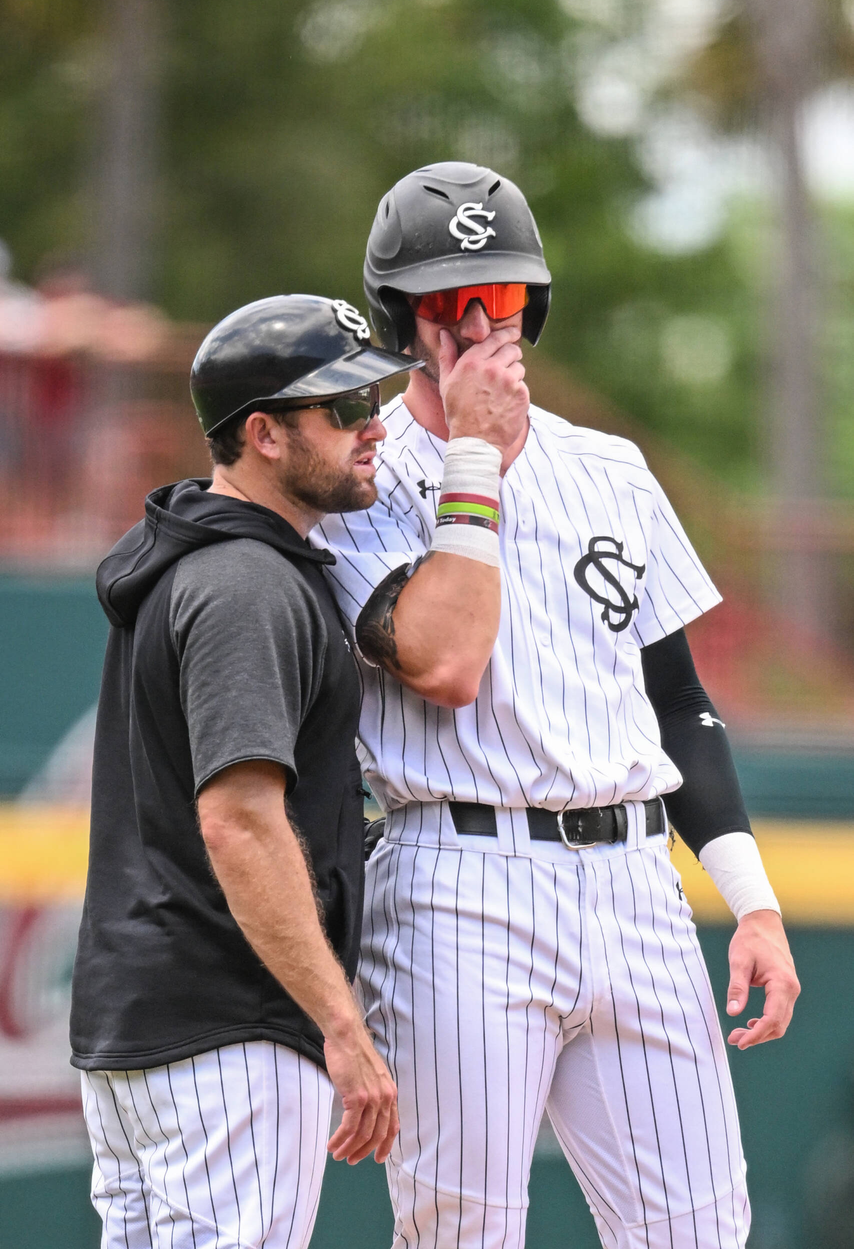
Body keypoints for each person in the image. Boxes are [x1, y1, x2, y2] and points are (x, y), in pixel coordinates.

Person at [314, 163, 801, 1249]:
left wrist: (753, 902)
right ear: (403, 320)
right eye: (450, 298)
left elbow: (678, 700)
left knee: (699, 1229)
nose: (485, 319)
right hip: (458, 879)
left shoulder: (610, 468)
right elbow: (442, 666)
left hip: (635, 880)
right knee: (459, 1232)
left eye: (504, 291)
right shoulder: (359, 480)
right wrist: (473, 453)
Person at [70, 294, 420, 1249]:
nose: (372, 423)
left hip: (145, 1029)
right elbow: (240, 821)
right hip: (231, 1028)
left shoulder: (203, 560)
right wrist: (341, 1028)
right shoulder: (246, 584)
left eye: (375, 395)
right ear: (263, 433)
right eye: (342, 407)